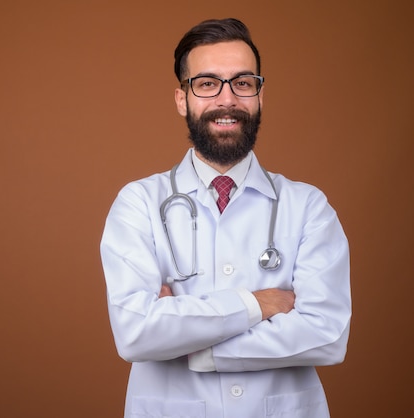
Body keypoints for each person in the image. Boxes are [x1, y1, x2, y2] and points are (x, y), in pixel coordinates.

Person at [100, 18, 351, 418]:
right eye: (206, 83)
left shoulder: (308, 207)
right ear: (182, 99)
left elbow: (326, 335)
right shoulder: (139, 204)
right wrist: (258, 303)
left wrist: (194, 343)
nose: (227, 99)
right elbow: (136, 335)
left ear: (260, 94)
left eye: (243, 82)